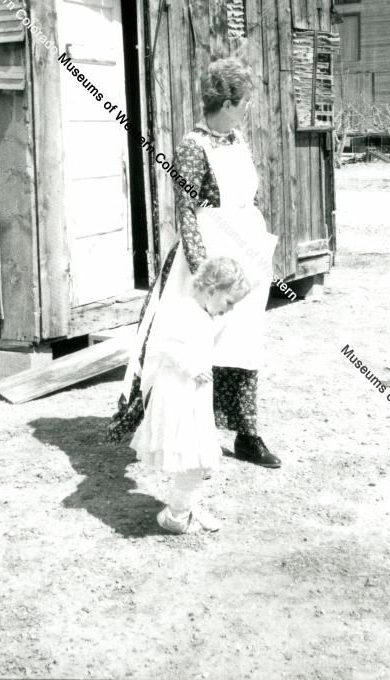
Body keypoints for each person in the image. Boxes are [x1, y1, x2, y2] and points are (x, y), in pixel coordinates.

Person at [107, 56, 281, 469]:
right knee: (193, 340)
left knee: (244, 340)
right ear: (226, 103)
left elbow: (249, 198)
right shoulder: (192, 147)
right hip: (206, 257)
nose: (247, 110)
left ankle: (246, 434)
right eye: (244, 102)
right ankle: (174, 428)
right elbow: (185, 211)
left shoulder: (238, 140)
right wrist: (204, 271)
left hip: (244, 252)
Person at [132, 257, 250, 534]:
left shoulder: (204, 314)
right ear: (212, 290)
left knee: (199, 459)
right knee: (194, 458)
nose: (229, 310)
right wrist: (192, 367)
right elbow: (164, 345)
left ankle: (186, 508)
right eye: (229, 302)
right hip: (177, 396)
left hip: (194, 397)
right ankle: (176, 517)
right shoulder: (182, 310)